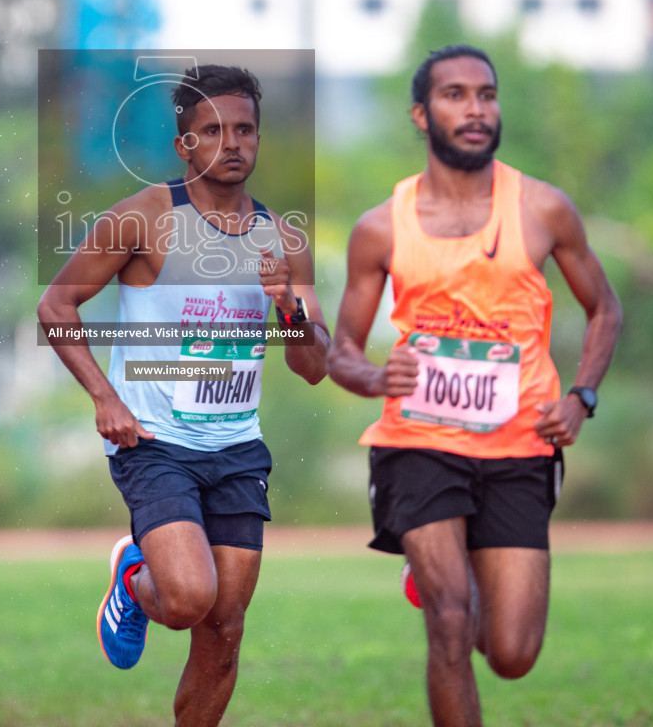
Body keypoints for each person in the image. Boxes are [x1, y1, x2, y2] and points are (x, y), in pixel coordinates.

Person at [326, 45, 622, 727]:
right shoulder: (380, 227)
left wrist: (582, 397)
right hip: (417, 442)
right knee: (451, 624)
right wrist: (376, 375)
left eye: (486, 94)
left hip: (520, 444)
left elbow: (605, 307)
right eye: (455, 95)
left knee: (512, 651)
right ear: (421, 114)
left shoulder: (544, 210)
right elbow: (340, 350)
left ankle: (444, 578)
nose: (476, 109)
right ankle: (442, 583)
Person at [38, 65, 329, 727]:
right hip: (154, 443)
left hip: (237, 448)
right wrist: (103, 396)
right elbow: (56, 304)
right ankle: (135, 581)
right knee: (191, 596)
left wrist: (287, 303)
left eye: (246, 130)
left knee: (225, 630)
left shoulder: (284, 240)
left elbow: (313, 365)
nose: (233, 143)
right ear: (185, 146)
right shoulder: (143, 218)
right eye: (214, 131)